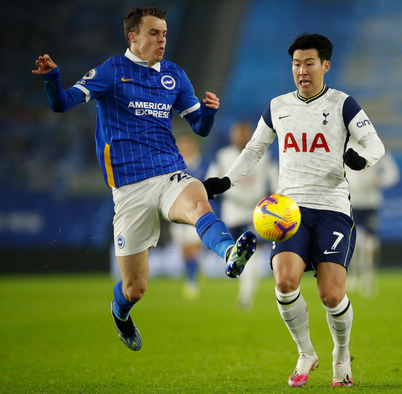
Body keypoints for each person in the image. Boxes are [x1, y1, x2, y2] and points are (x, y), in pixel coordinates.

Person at [32, 6, 257, 352]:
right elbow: (62, 103)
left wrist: (208, 112)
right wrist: (52, 78)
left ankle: (229, 254)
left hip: (169, 172)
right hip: (129, 188)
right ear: (132, 36)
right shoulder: (111, 71)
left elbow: (199, 127)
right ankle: (119, 313)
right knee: (135, 289)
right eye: (154, 33)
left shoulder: (174, 75)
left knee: (198, 199)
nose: (162, 40)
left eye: (165, 33)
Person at [203, 33, 385, 387]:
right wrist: (226, 181)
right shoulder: (277, 106)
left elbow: (375, 144)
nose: (302, 70)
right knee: (285, 283)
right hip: (288, 211)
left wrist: (360, 159)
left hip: (333, 208)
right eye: (296, 64)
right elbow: (254, 150)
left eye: (309, 63)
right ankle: (306, 352)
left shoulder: (343, 104)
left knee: (331, 294)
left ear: (325, 66)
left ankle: (341, 354)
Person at [206, 121, 278, 309]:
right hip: (233, 213)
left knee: (253, 253)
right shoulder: (223, 156)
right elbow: (211, 180)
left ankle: (245, 298)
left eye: (245, 133)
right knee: (237, 255)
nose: (242, 137)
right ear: (232, 136)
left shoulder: (263, 155)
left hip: (257, 212)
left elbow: (275, 180)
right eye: (238, 133)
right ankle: (243, 290)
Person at [345, 142, 400, 297]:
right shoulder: (343, 143)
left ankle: (369, 279)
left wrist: (381, 180)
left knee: (370, 245)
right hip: (351, 201)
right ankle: (353, 276)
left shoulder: (375, 146)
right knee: (354, 243)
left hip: (370, 202)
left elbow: (393, 173)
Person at [168, 135, 206, 299]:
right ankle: (193, 273)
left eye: (188, 145)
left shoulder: (203, 165)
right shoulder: (174, 165)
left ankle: (192, 281)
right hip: (177, 213)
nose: (185, 149)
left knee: (192, 246)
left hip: (196, 212)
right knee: (184, 249)